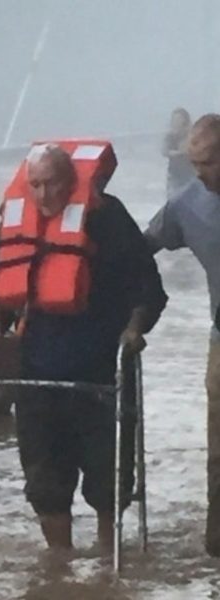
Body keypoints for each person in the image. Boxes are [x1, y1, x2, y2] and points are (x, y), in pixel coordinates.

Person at [0, 143, 167, 551]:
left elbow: (147, 287)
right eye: (36, 186)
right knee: (44, 480)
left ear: (71, 181)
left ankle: (105, 560)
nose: (44, 195)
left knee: (107, 479)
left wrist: (135, 330)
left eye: (53, 184)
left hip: (101, 367)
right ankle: (60, 566)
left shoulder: (107, 216)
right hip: (37, 371)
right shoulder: (15, 218)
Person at [145, 113, 220, 556]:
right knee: (218, 452)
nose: (199, 173)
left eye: (208, 163)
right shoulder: (188, 203)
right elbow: (140, 247)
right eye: (194, 163)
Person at [162, 107, 196, 197]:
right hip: (174, 174)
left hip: (189, 175)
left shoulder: (191, 134)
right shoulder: (170, 136)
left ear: (185, 120)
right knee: (172, 200)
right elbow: (164, 151)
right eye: (174, 119)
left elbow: (191, 150)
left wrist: (177, 152)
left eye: (179, 119)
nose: (176, 121)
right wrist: (177, 153)